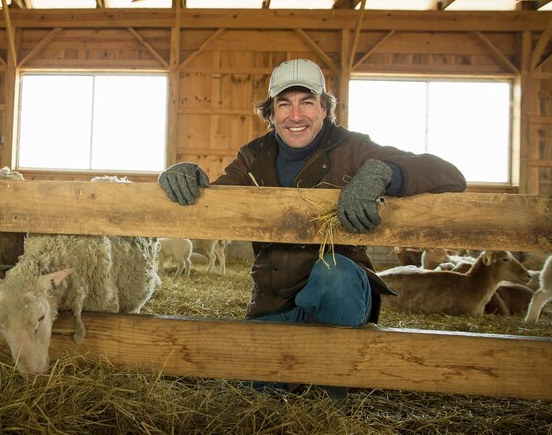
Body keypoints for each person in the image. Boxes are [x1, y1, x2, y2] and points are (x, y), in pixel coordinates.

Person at [158, 59, 466, 393]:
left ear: (324, 110)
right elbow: (219, 201)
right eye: (284, 104)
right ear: (271, 113)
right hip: (275, 304)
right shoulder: (253, 157)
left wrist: (381, 173)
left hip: (339, 296)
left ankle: (330, 396)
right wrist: (184, 174)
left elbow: (449, 174)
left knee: (334, 271)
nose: (296, 115)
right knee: (240, 389)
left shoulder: (353, 149)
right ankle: (326, 359)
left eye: (307, 102)